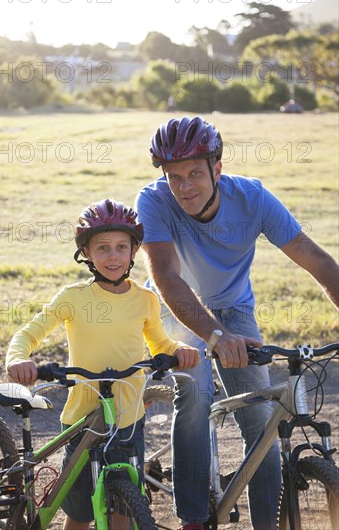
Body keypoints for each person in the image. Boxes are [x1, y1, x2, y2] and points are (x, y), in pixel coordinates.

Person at [134, 116, 339, 530]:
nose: (185, 187)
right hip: (180, 308)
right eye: (174, 177)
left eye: (194, 173)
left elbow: (314, 258)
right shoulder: (154, 201)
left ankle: (267, 523)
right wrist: (215, 336)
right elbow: (167, 278)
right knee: (194, 398)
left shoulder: (253, 198)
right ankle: (193, 517)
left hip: (234, 308)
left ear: (217, 168)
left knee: (259, 420)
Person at [6, 198, 200, 530]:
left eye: (121, 247)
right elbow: (30, 332)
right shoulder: (74, 297)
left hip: (128, 417)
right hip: (84, 420)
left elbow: (160, 344)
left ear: (133, 251)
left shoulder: (145, 299)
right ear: (88, 254)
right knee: (80, 513)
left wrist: (180, 349)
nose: (113, 256)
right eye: (103, 248)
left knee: (124, 507)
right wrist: (18, 358)